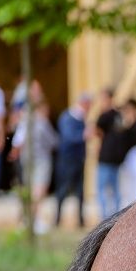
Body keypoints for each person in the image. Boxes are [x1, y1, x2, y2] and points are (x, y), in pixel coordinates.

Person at [13, 97, 58, 234]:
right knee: (39, 190)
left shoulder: (24, 123)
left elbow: (17, 142)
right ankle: (34, 220)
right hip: (41, 160)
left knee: (29, 190)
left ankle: (24, 220)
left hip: (26, 160)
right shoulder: (42, 122)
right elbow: (54, 141)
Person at [55, 92, 92, 228]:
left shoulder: (80, 118)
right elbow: (68, 136)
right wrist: (83, 135)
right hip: (67, 159)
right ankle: (57, 218)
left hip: (78, 159)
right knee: (63, 189)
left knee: (80, 191)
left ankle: (80, 220)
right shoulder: (68, 117)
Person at [93, 88, 123, 220]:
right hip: (116, 158)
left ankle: (105, 217)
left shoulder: (103, 116)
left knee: (102, 188)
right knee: (115, 188)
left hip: (105, 157)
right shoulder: (119, 115)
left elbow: (96, 132)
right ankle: (116, 215)